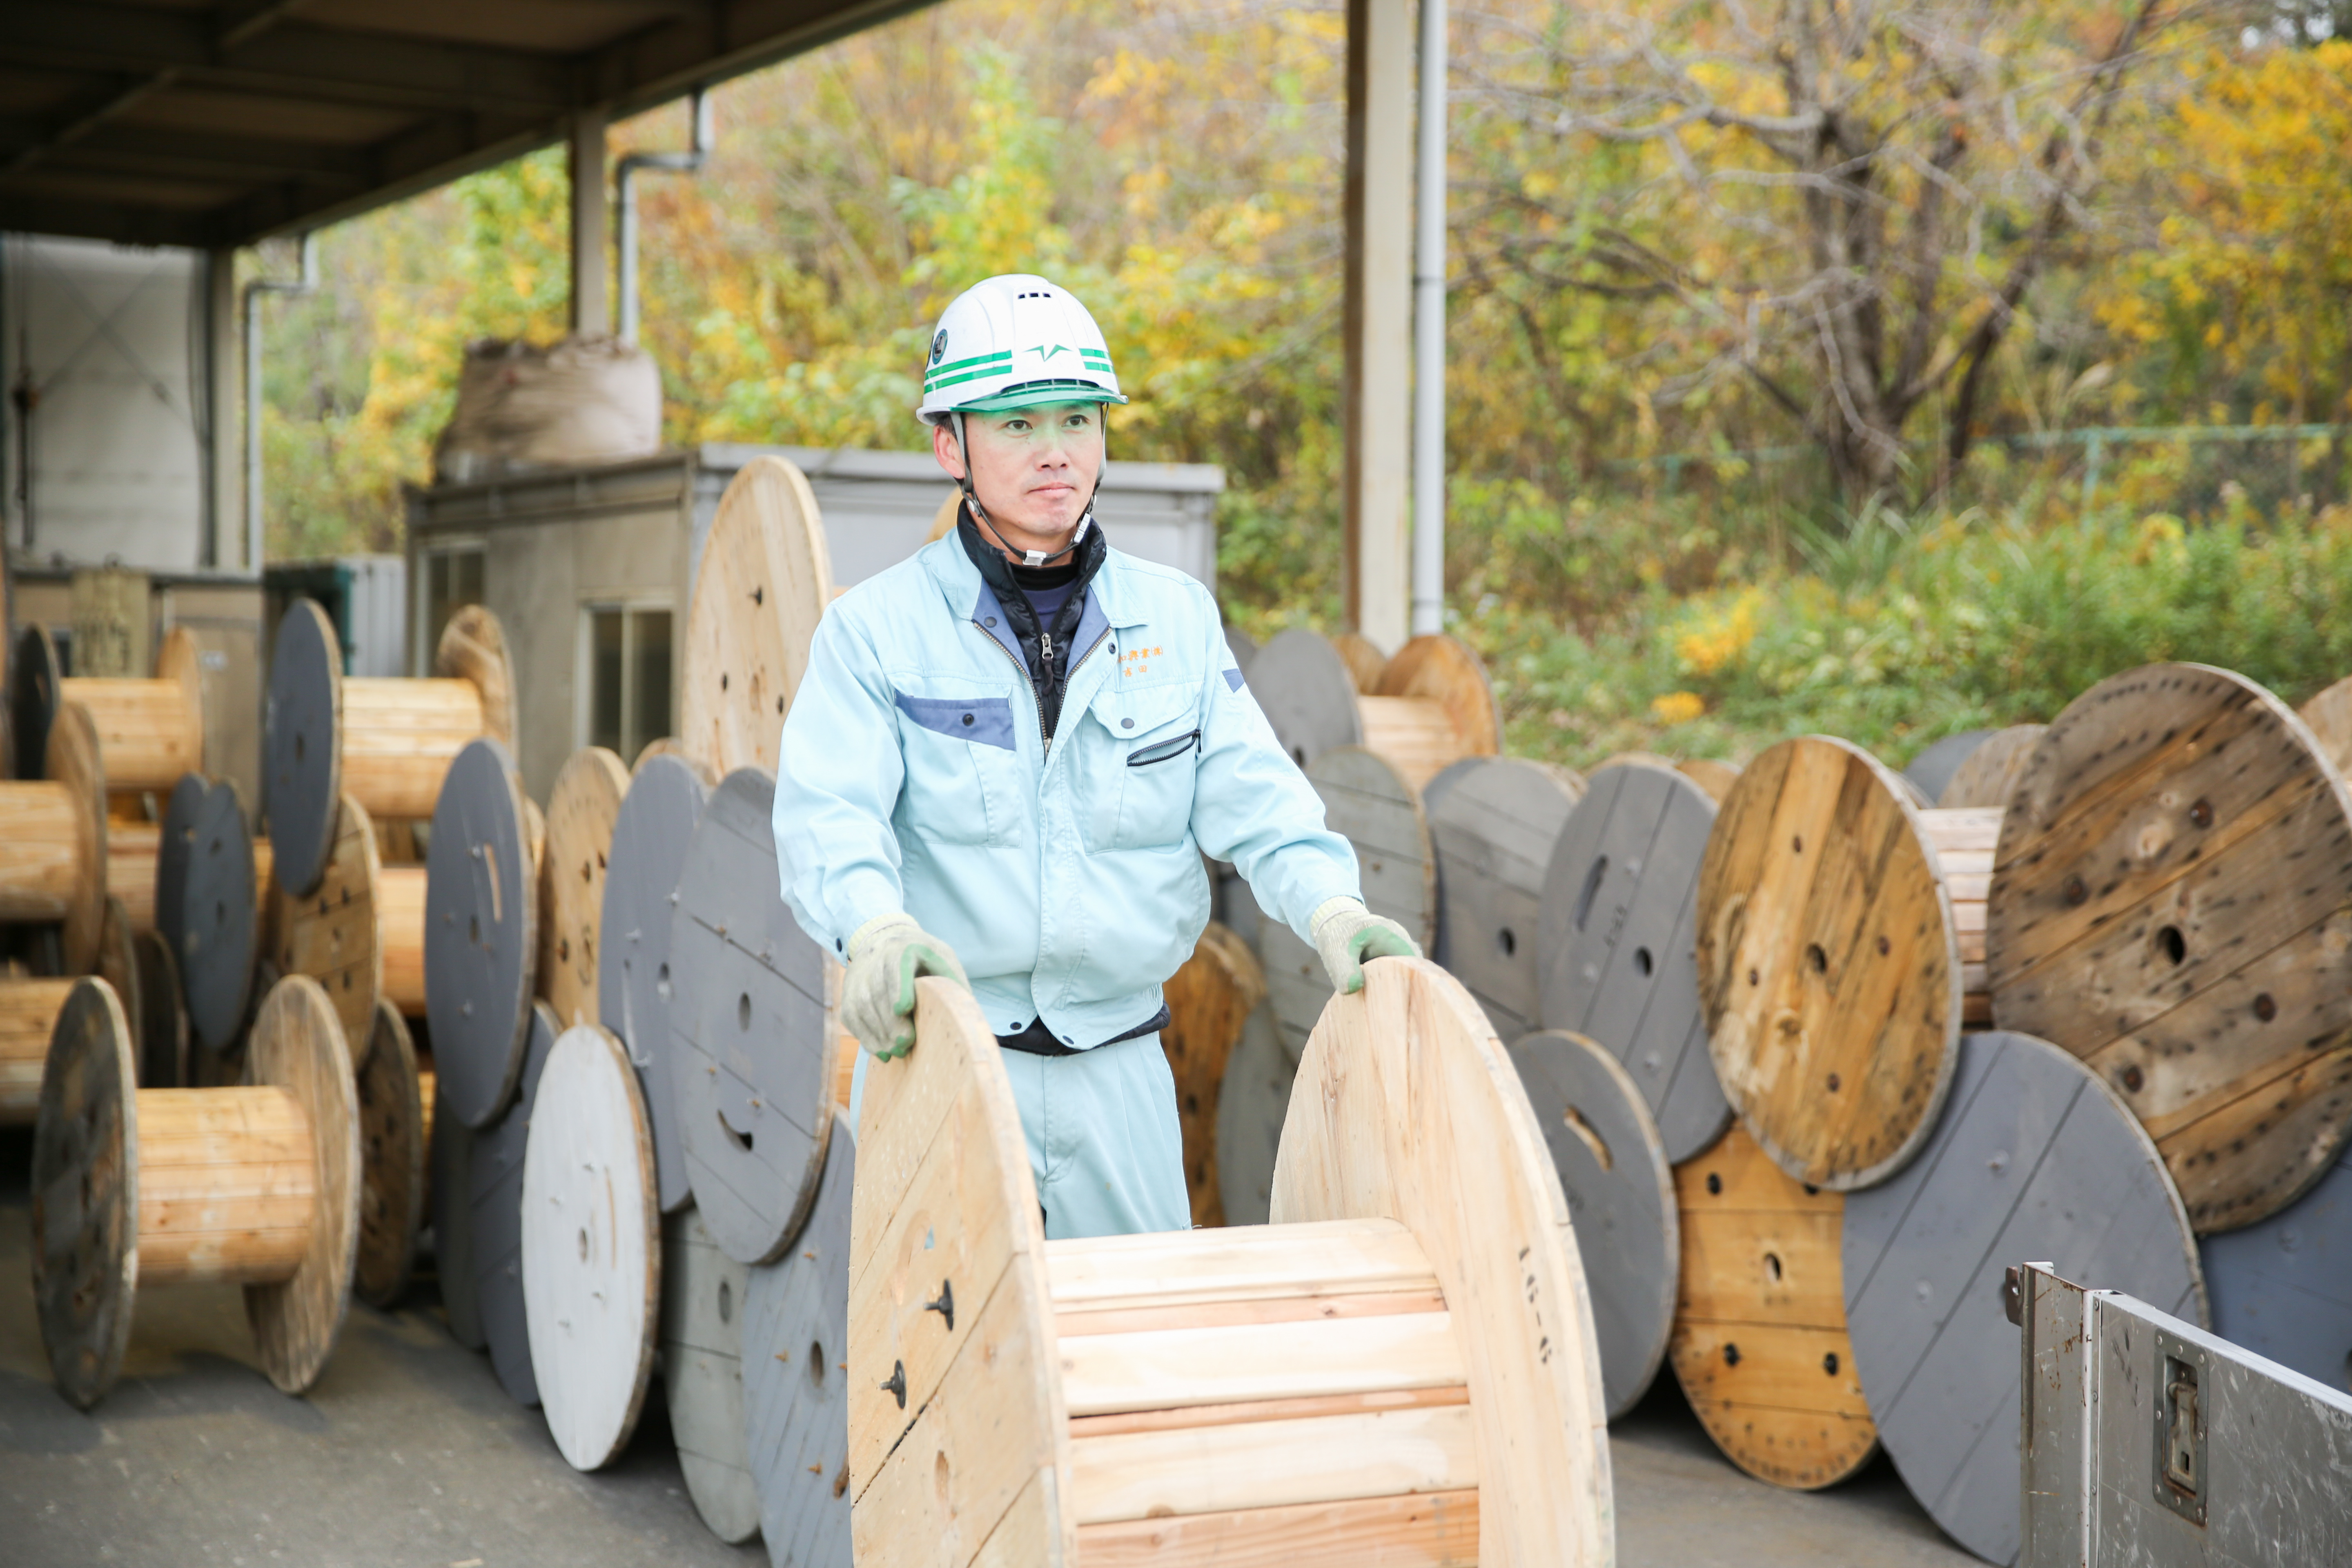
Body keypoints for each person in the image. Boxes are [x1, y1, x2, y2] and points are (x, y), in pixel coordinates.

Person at [771, 273, 1418, 1240]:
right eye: (1017, 425)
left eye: (1077, 419)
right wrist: (872, 933)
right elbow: (830, 818)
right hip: (940, 1062)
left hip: (1119, 1076)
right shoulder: (873, 634)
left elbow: (1260, 802)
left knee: (1129, 1365)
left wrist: (1334, 910)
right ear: (950, 443)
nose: (1055, 452)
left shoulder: (1178, 620)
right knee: (934, 1375)